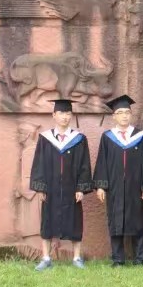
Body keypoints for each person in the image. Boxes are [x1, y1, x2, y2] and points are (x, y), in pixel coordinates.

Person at [29, 99, 93, 271]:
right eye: (61, 113)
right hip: (51, 188)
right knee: (47, 221)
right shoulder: (45, 139)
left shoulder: (79, 139)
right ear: (54, 115)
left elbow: (84, 165)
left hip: (72, 189)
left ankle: (77, 257)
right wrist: (41, 187)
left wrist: (81, 188)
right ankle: (46, 258)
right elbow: (39, 163)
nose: (65, 117)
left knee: (75, 221)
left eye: (68, 113)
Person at [93, 95, 143, 267]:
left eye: (127, 112)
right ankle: (118, 259)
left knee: (138, 220)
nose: (124, 116)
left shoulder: (141, 136)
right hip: (115, 187)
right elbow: (102, 162)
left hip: (136, 185)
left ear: (131, 114)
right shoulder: (108, 137)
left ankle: (139, 258)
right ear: (114, 116)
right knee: (115, 220)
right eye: (120, 113)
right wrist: (101, 186)